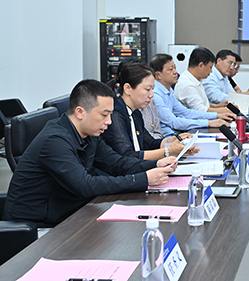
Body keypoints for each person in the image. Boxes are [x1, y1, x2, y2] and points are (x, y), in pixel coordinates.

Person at [3, 80, 175, 227]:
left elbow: (116, 164)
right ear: (80, 112)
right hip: (36, 227)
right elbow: (85, 185)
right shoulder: (54, 141)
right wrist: (143, 179)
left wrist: (155, 164)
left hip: (69, 211)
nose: (109, 122)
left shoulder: (89, 133)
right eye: (104, 115)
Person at [100, 63, 197, 160]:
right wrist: (168, 151)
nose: (151, 95)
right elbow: (128, 156)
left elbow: (150, 143)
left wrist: (172, 140)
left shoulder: (135, 113)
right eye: (147, 89)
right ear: (127, 88)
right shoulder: (115, 115)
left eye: (152, 89)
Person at [150, 53, 231, 137]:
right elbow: (174, 122)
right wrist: (209, 123)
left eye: (175, 68)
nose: (175, 72)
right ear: (158, 75)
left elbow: (185, 112)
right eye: (171, 69)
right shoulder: (155, 94)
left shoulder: (168, 90)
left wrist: (216, 116)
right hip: (166, 138)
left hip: (176, 134)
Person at [174, 47, 235, 114]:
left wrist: (216, 106)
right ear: (201, 65)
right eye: (210, 67)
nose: (211, 71)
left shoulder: (195, 79)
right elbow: (200, 111)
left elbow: (200, 104)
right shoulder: (188, 85)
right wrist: (226, 110)